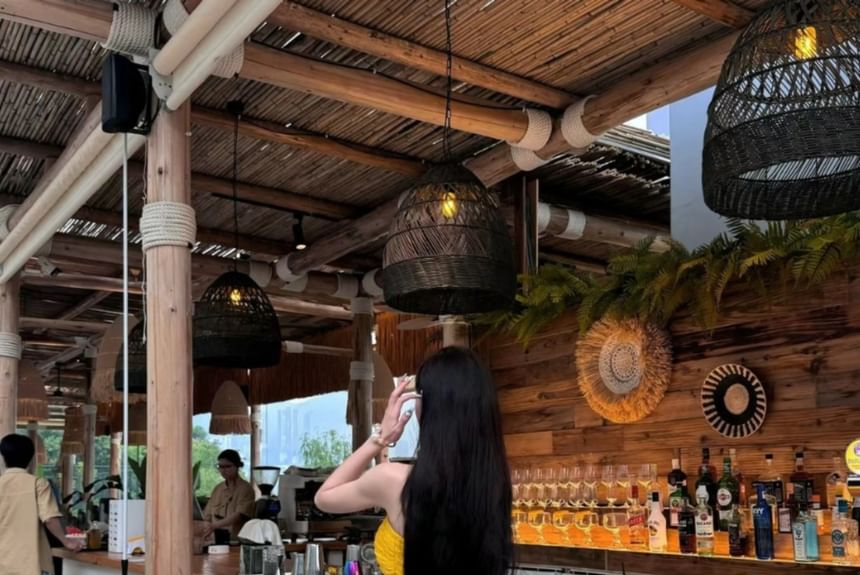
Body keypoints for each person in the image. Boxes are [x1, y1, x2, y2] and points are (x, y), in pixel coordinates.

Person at [315, 347, 514, 575]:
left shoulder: (394, 480)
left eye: (419, 395)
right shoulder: (493, 483)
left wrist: (380, 439)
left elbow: (324, 498)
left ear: (429, 407)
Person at [0, 434, 84, 575]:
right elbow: (50, 519)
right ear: (31, 458)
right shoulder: (38, 484)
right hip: (30, 564)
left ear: (3, 457)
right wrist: (67, 542)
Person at [201, 449, 255, 541]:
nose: (223, 470)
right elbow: (207, 515)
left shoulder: (245, 489)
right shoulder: (217, 489)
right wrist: (206, 527)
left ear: (237, 466)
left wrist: (214, 526)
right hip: (215, 540)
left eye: (228, 466)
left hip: (236, 541)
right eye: (220, 466)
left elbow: (239, 515)